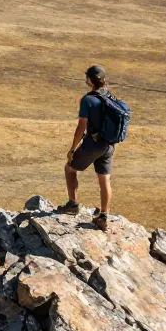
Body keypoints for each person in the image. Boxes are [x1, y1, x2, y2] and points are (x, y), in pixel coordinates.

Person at [63, 64, 116, 229]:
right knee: (104, 179)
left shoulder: (88, 99)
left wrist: (73, 148)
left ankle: (73, 204)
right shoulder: (110, 97)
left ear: (90, 80)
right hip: (109, 145)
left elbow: (81, 127)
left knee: (70, 168)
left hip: (93, 144)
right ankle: (104, 215)